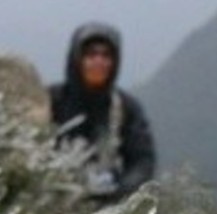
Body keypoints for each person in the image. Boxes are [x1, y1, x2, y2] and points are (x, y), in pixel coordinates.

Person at [49, 22, 156, 202]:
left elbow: (143, 160)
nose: (99, 61)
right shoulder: (51, 101)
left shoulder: (124, 107)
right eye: (91, 55)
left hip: (107, 211)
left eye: (106, 55)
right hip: (55, 204)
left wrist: (121, 190)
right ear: (77, 58)